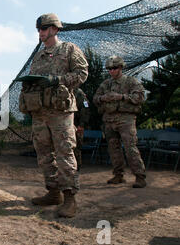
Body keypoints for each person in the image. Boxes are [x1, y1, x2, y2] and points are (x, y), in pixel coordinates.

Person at [19, 13, 88, 218]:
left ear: (54, 29)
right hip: (40, 113)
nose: (40, 32)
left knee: (65, 153)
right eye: (38, 29)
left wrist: (56, 80)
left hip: (61, 112)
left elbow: (82, 74)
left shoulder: (69, 49)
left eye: (44, 28)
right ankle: (53, 192)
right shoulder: (38, 56)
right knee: (44, 154)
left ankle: (70, 199)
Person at [93, 56, 147, 188]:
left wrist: (121, 97)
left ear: (121, 68)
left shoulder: (130, 82)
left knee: (130, 148)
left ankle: (140, 176)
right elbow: (95, 98)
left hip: (126, 119)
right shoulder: (106, 84)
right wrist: (103, 98)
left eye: (114, 68)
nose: (112, 71)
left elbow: (140, 97)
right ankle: (118, 175)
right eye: (109, 69)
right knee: (113, 149)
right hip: (109, 119)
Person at [74, 88, 91, 170]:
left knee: (76, 146)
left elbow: (86, 108)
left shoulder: (79, 93)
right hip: (64, 124)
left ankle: (77, 166)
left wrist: (82, 124)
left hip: (76, 125)